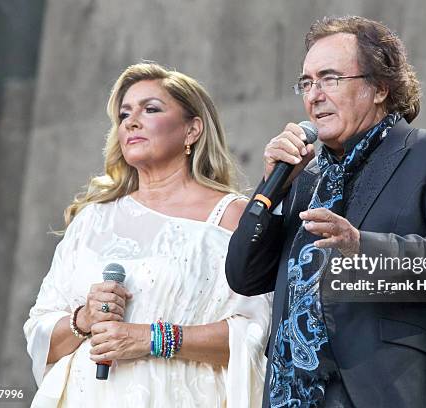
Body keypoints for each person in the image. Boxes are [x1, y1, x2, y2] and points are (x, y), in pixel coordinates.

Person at [226, 16, 426, 407]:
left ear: (380, 87)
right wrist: (274, 189)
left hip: (385, 390)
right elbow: (243, 276)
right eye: (306, 82)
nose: (314, 95)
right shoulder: (302, 180)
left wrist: (360, 245)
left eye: (330, 78)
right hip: (292, 394)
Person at [24, 62, 272, 407]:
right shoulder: (92, 219)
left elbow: (257, 333)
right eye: (124, 115)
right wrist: (84, 319)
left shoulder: (232, 216)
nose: (132, 121)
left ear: (192, 130)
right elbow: (40, 334)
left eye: (150, 109)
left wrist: (153, 338)